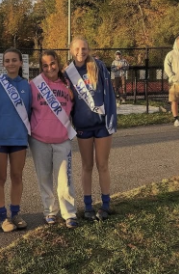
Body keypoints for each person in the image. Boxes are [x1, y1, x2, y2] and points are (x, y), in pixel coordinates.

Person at [65, 37, 117, 221]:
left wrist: (111, 118)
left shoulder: (98, 66)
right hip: (83, 126)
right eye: (77, 48)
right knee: (87, 166)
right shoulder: (68, 72)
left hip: (102, 124)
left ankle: (105, 204)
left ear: (89, 49)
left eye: (84, 48)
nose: (81, 51)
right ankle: (87, 206)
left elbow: (109, 94)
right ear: (72, 50)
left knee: (102, 165)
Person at [29, 50, 78, 229]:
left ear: (58, 63)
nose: (50, 68)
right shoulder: (34, 85)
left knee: (65, 178)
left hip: (62, 139)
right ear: (41, 67)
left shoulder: (68, 86)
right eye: (45, 65)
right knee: (44, 178)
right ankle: (49, 211)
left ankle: (69, 213)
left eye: (52, 63)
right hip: (39, 139)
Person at [0, 48, 32, 232]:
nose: (11, 63)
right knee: (0, 177)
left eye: (14, 60)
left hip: (19, 138)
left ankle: (15, 213)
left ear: (21, 63)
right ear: (3, 64)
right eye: (7, 60)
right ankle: (2, 217)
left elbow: (29, 111)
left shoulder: (27, 86)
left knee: (16, 176)